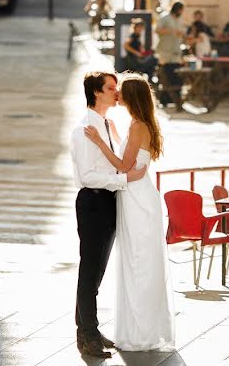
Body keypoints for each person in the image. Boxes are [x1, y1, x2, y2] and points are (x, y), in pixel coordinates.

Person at [83, 73, 175, 351]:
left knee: (138, 263)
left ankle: (140, 332)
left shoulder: (138, 126)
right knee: (136, 262)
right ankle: (139, 328)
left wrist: (100, 142)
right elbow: (132, 157)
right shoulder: (139, 125)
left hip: (137, 200)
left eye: (121, 90)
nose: (117, 93)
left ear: (132, 96)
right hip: (136, 195)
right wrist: (112, 134)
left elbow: (124, 166)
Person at [71, 71, 150, 359]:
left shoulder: (105, 124)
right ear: (96, 93)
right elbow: (88, 175)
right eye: (110, 87)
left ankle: (88, 328)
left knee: (97, 271)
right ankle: (87, 335)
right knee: (90, 271)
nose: (117, 92)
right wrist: (125, 180)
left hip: (106, 201)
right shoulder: (84, 129)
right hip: (93, 202)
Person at [155, 0, 185, 105]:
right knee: (166, 75)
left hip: (176, 51)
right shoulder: (165, 18)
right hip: (165, 51)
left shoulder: (180, 19)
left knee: (177, 75)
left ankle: (176, 98)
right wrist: (170, 31)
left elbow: (182, 32)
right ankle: (165, 99)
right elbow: (157, 30)